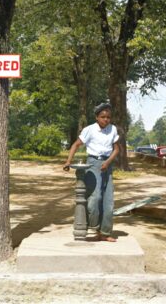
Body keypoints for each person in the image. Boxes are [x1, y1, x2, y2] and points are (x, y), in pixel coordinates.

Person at [63, 102, 120, 242]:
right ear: (97, 117)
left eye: (108, 117)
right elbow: (76, 144)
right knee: (95, 199)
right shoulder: (90, 130)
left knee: (108, 201)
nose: (106, 119)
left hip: (107, 164)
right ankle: (93, 226)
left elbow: (117, 149)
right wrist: (68, 161)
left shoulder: (112, 129)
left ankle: (105, 233)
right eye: (102, 117)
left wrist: (107, 162)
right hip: (93, 164)